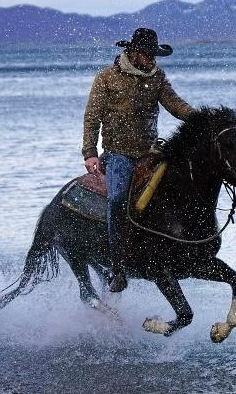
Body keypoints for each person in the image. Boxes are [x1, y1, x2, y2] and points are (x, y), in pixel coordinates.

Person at [82, 28, 196, 292]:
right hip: (118, 154)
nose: (152, 60)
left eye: (154, 55)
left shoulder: (157, 78)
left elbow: (175, 104)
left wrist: (199, 119)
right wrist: (89, 152)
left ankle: (171, 249)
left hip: (150, 152)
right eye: (148, 54)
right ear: (133, 53)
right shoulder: (107, 78)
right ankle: (118, 265)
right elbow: (92, 117)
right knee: (118, 199)